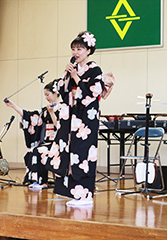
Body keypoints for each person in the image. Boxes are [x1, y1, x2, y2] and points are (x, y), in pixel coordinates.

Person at [46, 31, 114, 206]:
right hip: (70, 117)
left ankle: (85, 195)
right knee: (68, 152)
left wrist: (77, 77)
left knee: (83, 154)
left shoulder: (94, 69)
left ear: (89, 51)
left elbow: (94, 92)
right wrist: (68, 76)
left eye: (80, 49)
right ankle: (73, 192)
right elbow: (61, 90)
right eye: (74, 49)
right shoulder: (72, 68)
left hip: (85, 119)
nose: (76, 52)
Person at [4, 80, 61, 189]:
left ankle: (42, 182)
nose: (46, 98)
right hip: (47, 141)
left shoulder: (63, 108)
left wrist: (52, 113)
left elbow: (59, 125)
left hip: (58, 141)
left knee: (38, 151)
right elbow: (30, 116)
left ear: (55, 93)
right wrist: (13, 106)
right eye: (45, 95)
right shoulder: (45, 110)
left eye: (48, 95)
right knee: (33, 151)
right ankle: (37, 181)